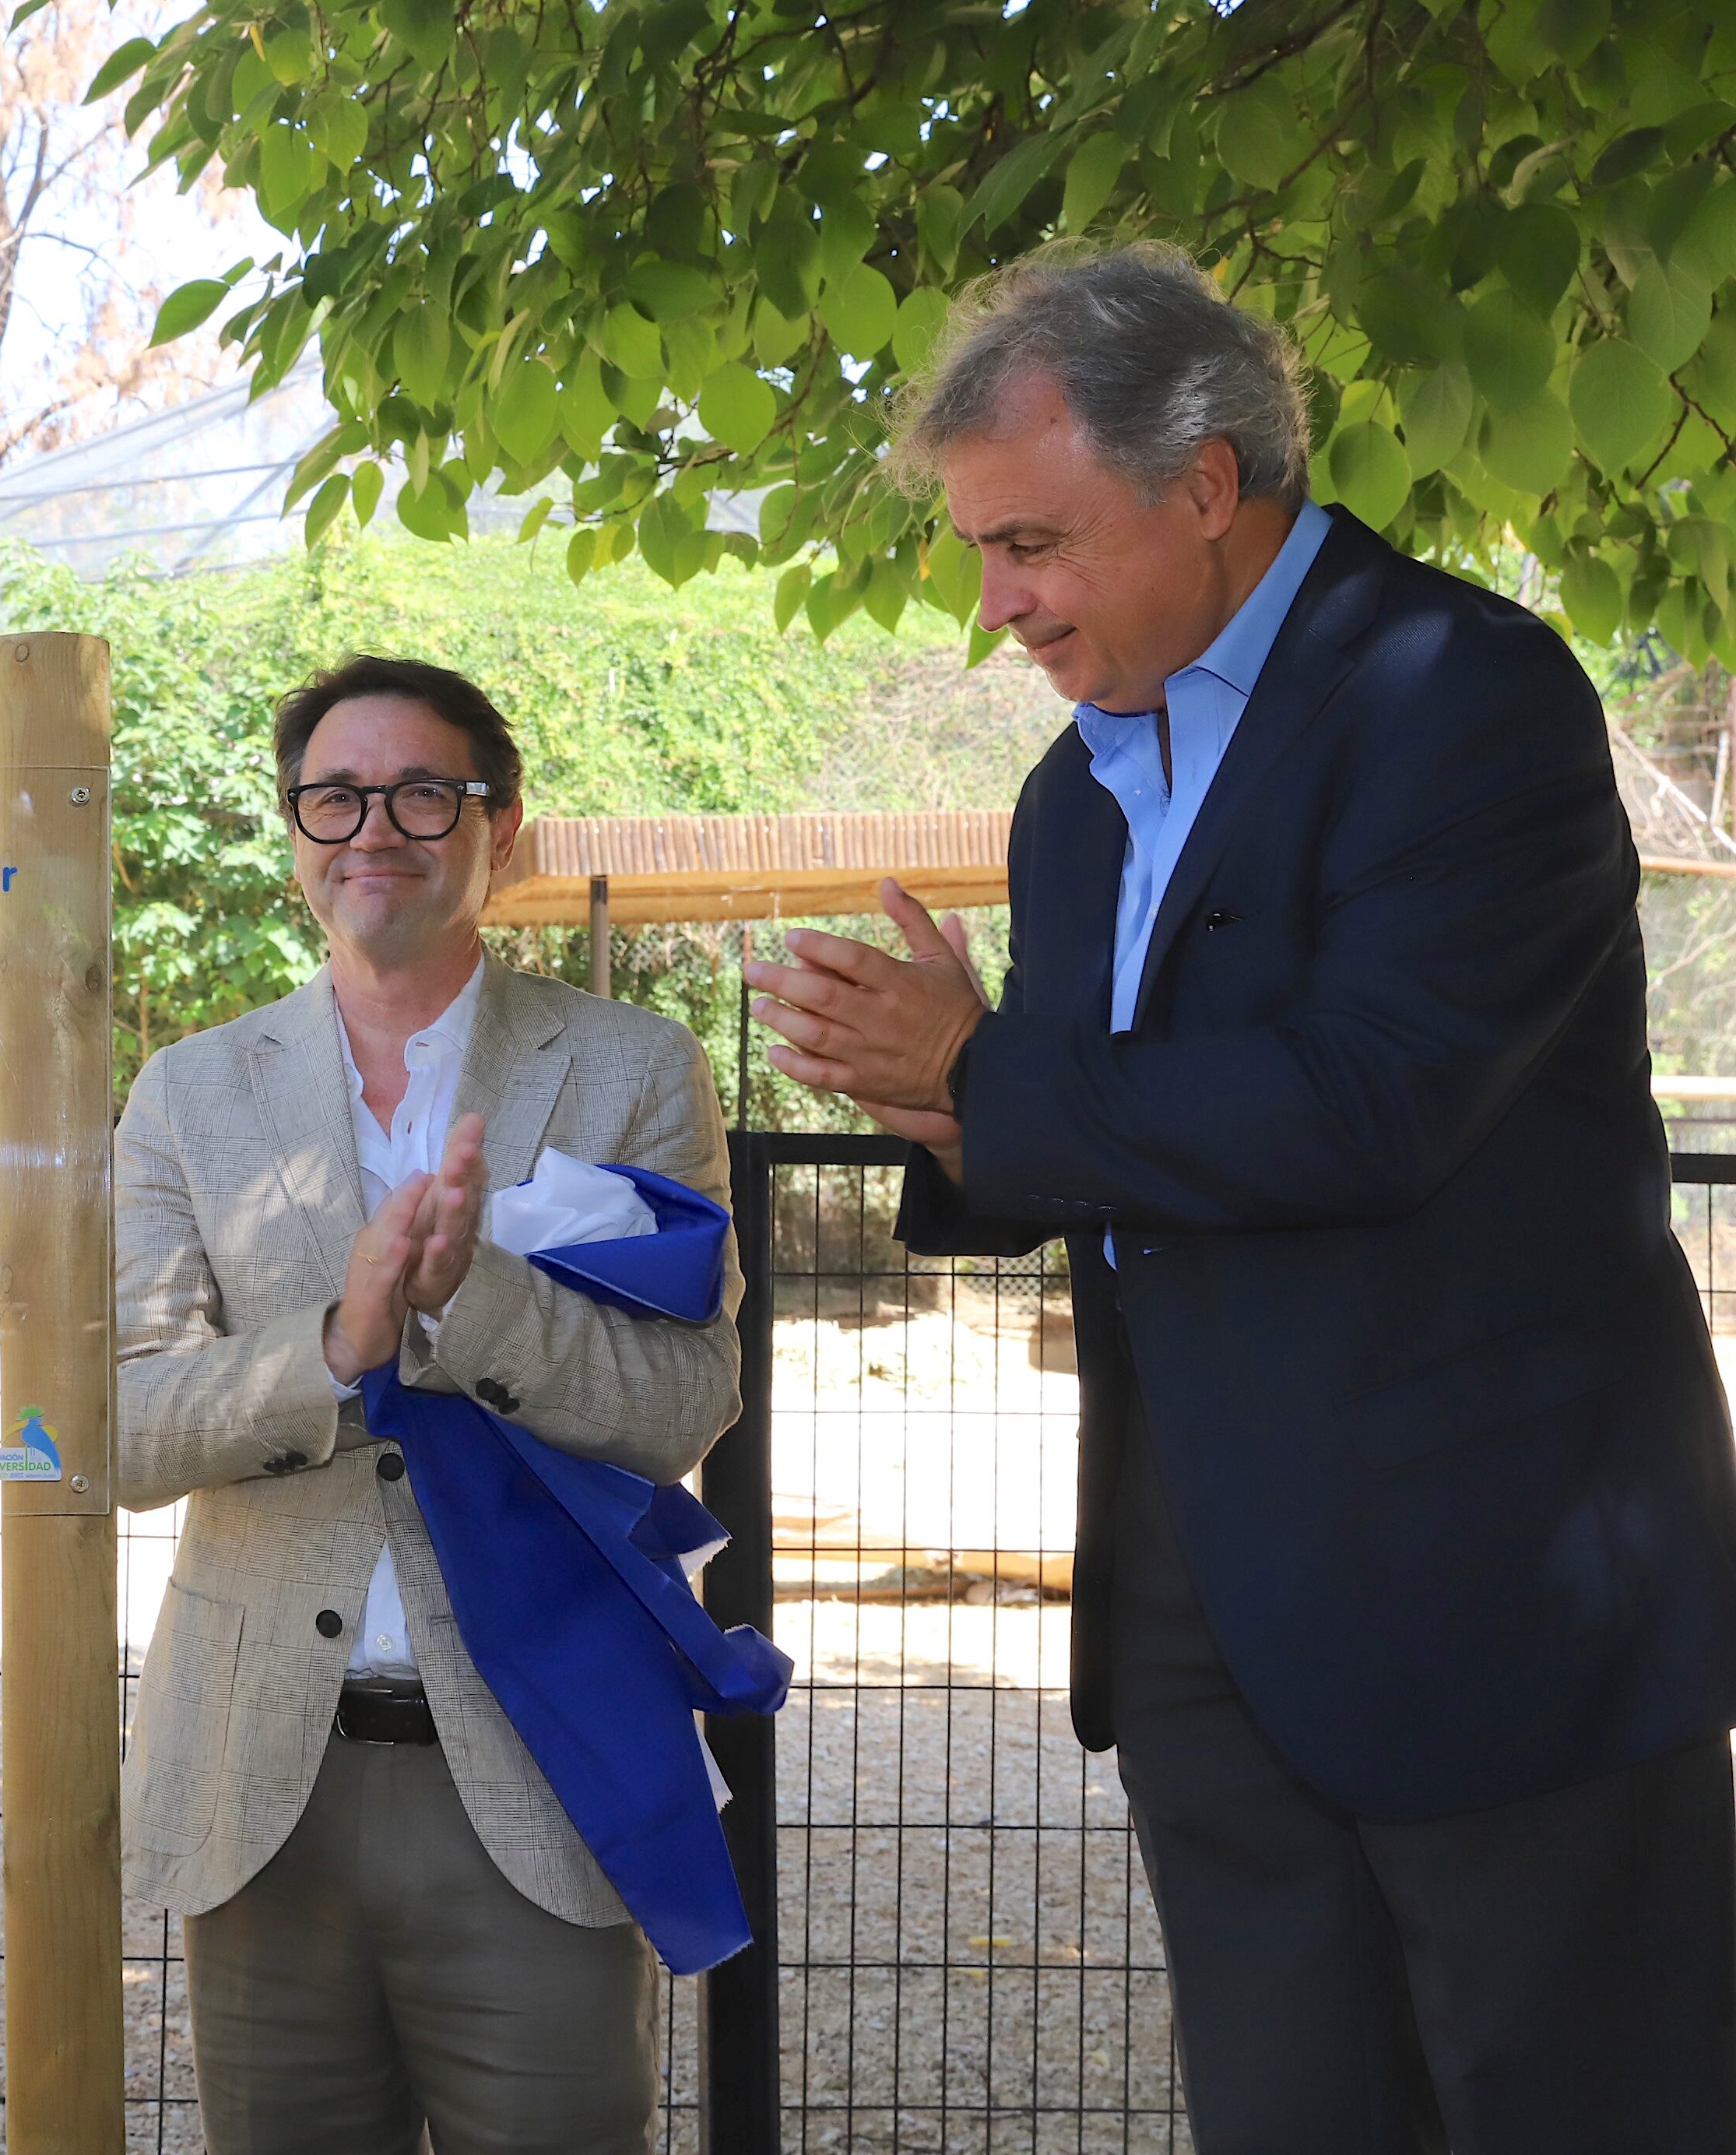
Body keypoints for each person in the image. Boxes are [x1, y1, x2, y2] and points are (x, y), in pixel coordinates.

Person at [747, 241, 1736, 2148]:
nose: (994, 603)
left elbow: (1374, 1103)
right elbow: (1103, 1125)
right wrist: (942, 1110)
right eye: (978, 551)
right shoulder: (1071, 794)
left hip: (1494, 1600)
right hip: (1201, 1608)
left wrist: (985, 1074)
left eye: (1030, 541)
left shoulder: (1458, 688)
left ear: (1204, 483)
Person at [114, 655, 741, 2154]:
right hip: (264, 1779)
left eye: (422, 793)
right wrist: (341, 1344)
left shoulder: (632, 1070)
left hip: (537, 1760)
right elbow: (124, 1429)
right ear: (294, 828)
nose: (374, 829)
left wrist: (473, 1299)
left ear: (499, 827)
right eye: (334, 796)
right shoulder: (192, 1093)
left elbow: (684, 1403)